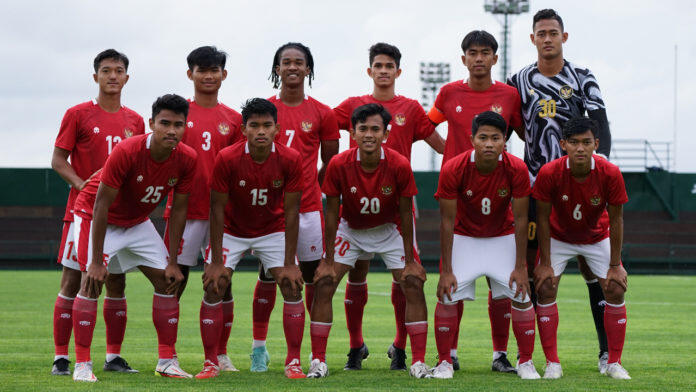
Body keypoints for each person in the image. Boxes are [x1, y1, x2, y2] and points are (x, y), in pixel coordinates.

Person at [508, 8, 613, 372]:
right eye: (541, 33)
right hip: (538, 192)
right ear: (533, 39)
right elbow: (501, 127)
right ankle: (535, 358)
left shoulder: (583, 78)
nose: (548, 38)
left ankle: (606, 353)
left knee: (594, 269)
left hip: (581, 192)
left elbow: (601, 130)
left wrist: (596, 180)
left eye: (554, 32)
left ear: (564, 38)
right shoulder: (519, 80)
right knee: (539, 272)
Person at [70, 94, 197, 382]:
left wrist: (174, 260)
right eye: (164, 123)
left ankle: (167, 361)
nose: (171, 130)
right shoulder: (127, 150)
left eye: (178, 124)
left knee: (168, 280)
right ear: (151, 123)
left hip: (136, 222)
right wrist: (97, 259)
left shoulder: (188, 158)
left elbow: (178, 210)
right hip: (95, 215)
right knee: (91, 281)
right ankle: (82, 364)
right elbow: (100, 204)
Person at [333, 42, 445, 370]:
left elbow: (438, 143)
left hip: (398, 209)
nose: (384, 71)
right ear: (370, 71)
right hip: (356, 206)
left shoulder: (409, 108)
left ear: (398, 71)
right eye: (378, 65)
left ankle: (400, 346)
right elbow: (324, 126)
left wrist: (471, 154)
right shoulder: (354, 105)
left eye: (389, 66)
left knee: (405, 277)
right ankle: (356, 346)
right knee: (357, 273)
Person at [307, 103, 430, 379]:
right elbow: (331, 213)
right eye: (363, 129)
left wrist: (410, 261)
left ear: (386, 134)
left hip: (389, 230)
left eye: (376, 129)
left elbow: (405, 212)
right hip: (351, 229)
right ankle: (318, 360)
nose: (369, 134)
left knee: (412, 281)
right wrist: (327, 260)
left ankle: (419, 362)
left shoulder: (399, 164)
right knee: (324, 281)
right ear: (353, 132)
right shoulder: (339, 164)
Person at [427, 30, 522, 373]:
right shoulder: (449, 92)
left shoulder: (510, 96)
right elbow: (426, 126)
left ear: (495, 59)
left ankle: (500, 354)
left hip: (496, 191)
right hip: (457, 190)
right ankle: (448, 352)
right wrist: (447, 152)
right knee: (456, 282)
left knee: (503, 289)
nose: (479, 58)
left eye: (485, 53)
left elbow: (526, 132)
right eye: (472, 52)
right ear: (463, 57)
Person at [51, 49, 144, 376]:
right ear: (96, 77)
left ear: (127, 77)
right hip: (82, 213)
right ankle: (61, 357)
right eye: (106, 70)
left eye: (119, 70)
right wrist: (82, 186)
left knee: (116, 283)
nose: (113, 76)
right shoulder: (77, 114)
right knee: (72, 280)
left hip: (118, 217)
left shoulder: (135, 121)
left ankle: (113, 357)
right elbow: (58, 161)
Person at [201, 98, 307, 379]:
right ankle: (211, 361)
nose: (261, 131)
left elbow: (293, 211)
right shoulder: (227, 158)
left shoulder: (291, 159)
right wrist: (213, 260)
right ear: (243, 129)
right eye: (254, 125)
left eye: (267, 125)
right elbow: (217, 209)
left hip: (272, 229)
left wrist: (290, 262)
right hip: (232, 231)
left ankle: (293, 362)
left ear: (277, 129)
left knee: (292, 285)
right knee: (215, 283)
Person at [249, 42, 340, 372]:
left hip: (308, 209)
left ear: (308, 70)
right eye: (285, 62)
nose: (291, 67)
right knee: (268, 277)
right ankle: (259, 349)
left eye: (298, 62)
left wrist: (307, 183)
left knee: (313, 279)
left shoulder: (323, 113)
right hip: (271, 210)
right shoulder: (263, 112)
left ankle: (310, 356)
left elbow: (331, 163)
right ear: (276, 69)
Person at [432, 111, 539, 380]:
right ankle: (444, 362)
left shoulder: (516, 168)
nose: (489, 143)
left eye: (495, 138)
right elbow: (446, 221)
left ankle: (525, 361)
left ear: (505, 140)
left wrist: (521, 265)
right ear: (472, 140)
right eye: (483, 138)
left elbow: (522, 218)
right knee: (447, 295)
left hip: (501, 236)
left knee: (522, 295)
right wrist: (445, 269)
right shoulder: (454, 168)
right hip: (464, 237)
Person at [162, 46, 242, 372]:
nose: (208, 75)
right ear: (189, 74)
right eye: (201, 69)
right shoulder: (178, 117)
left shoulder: (234, 120)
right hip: (184, 211)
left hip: (221, 215)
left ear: (224, 74)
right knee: (173, 280)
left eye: (214, 70)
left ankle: (220, 354)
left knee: (222, 281)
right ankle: (168, 353)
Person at [532, 116, 629, 380]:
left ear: (596, 144)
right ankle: (552, 363)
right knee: (545, 285)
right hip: (558, 237)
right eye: (574, 142)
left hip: (597, 236)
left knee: (616, 287)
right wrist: (545, 262)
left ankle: (614, 362)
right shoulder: (549, 172)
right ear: (563, 144)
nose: (580, 149)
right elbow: (541, 218)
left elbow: (617, 218)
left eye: (586, 142)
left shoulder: (610, 173)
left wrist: (615, 264)